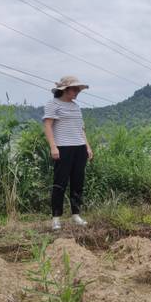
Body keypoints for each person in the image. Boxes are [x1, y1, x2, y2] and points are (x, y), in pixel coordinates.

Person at [43, 76, 94, 230]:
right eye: (75, 89)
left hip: (79, 148)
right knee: (60, 183)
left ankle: (76, 214)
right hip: (63, 148)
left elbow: (81, 129)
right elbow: (48, 126)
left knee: (78, 182)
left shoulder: (76, 107)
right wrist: (53, 146)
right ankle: (56, 218)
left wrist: (88, 146)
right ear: (65, 89)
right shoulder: (53, 104)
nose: (77, 92)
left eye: (78, 89)